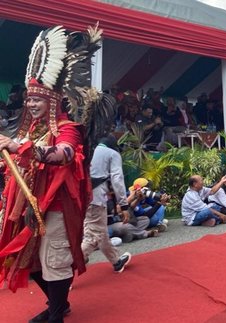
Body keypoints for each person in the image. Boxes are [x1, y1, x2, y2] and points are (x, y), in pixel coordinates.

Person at [0, 25, 109, 323]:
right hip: (29, 206)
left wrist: (22, 149)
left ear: (52, 101)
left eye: (37, 99)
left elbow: (65, 155)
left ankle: (57, 312)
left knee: (54, 259)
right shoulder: (30, 130)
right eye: (29, 100)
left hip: (57, 206)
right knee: (29, 259)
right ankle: (58, 305)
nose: (31, 104)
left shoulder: (68, 129)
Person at [81, 135, 132, 273]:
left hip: (81, 197)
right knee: (93, 237)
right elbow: (117, 179)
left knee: (99, 231)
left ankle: (116, 262)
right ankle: (69, 266)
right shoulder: (112, 154)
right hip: (96, 198)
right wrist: (124, 204)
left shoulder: (89, 149)